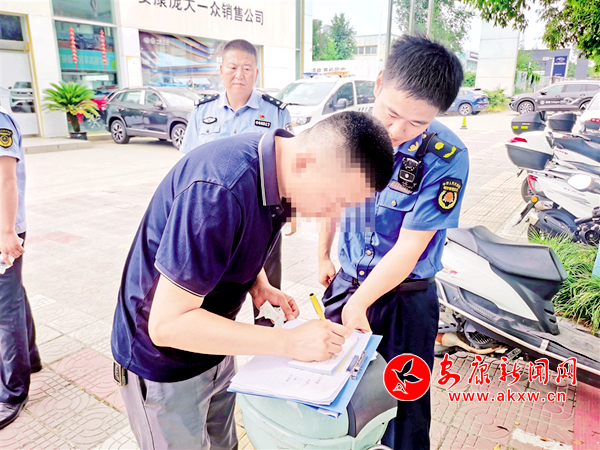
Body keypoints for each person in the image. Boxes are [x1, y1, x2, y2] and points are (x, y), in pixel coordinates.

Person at [111, 111, 394, 450]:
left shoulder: (280, 169)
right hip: (163, 365)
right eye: (337, 201)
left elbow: (235, 236)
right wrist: (289, 342)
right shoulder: (218, 191)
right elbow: (167, 325)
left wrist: (257, 283)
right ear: (307, 163)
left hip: (214, 345)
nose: (335, 215)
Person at [318, 35, 468, 450]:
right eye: (392, 113)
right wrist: (323, 256)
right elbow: (331, 200)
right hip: (347, 286)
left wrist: (359, 303)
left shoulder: (446, 156)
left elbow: (409, 247)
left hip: (406, 300)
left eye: (417, 123)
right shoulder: (349, 132)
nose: (398, 131)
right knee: (334, 394)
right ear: (379, 82)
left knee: (404, 408)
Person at [180, 39, 291, 323]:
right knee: (210, 289)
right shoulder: (202, 112)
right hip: (211, 217)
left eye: (247, 68)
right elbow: (187, 165)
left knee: (267, 289)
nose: (239, 74)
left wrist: (291, 211)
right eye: (232, 67)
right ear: (221, 70)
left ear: (257, 73)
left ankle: (268, 337)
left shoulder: (276, 112)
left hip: (262, 217)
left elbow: (288, 168)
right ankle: (214, 335)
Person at [0, 106, 41, 430]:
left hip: (3, 229)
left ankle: (12, 392)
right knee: (11, 296)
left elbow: (6, 180)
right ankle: (31, 357)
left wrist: (6, 232)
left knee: (4, 307)